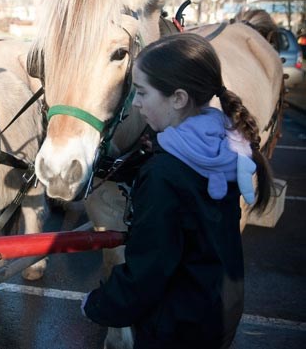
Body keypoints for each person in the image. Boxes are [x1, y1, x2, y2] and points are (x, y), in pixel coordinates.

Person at [81, 33, 274, 349]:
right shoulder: (224, 146)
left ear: (179, 98)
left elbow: (148, 270)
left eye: (142, 93)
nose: (137, 103)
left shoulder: (164, 175)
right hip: (218, 310)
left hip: (174, 327)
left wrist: (98, 305)